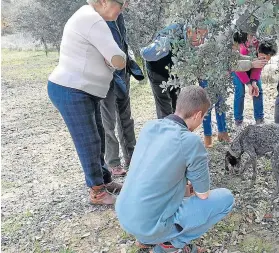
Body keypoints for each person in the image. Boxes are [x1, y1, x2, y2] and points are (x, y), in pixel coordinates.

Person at [116, 86, 234, 252]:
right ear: (198, 115)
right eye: (204, 117)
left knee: (183, 195)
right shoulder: (190, 141)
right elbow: (203, 194)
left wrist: (183, 188)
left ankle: (145, 238)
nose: (201, 121)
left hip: (125, 214)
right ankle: (170, 245)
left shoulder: (150, 127)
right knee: (226, 199)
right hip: (151, 224)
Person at [47, 0, 128, 205]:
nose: (123, 7)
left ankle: (104, 180)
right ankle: (97, 193)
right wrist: (117, 59)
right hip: (72, 90)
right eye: (122, 2)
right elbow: (118, 58)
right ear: (103, 1)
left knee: (97, 136)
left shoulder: (91, 17)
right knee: (88, 141)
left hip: (82, 90)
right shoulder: (92, 20)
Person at [100, 12, 142, 177]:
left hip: (122, 73)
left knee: (126, 118)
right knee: (108, 122)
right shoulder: (98, 15)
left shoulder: (119, 16)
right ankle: (113, 162)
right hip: (107, 76)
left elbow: (122, 43)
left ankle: (132, 156)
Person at [232, 15, 278, 126]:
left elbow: (258, 67)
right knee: (240, 91)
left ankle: (259, 119)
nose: (253, 37)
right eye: (250, 34)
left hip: (252, 67)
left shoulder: (261, 45)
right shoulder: (240, 46)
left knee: (258, 90)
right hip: (238, 69)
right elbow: (237, 67)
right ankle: (238, 120)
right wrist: (248, 84)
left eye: (254, 34)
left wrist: (253, 82)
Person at [199, 80, 230, 148]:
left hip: (220, 74)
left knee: (221, 102)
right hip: (204, 73)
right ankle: (207, 136)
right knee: (207, 104)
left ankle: (223, 131)